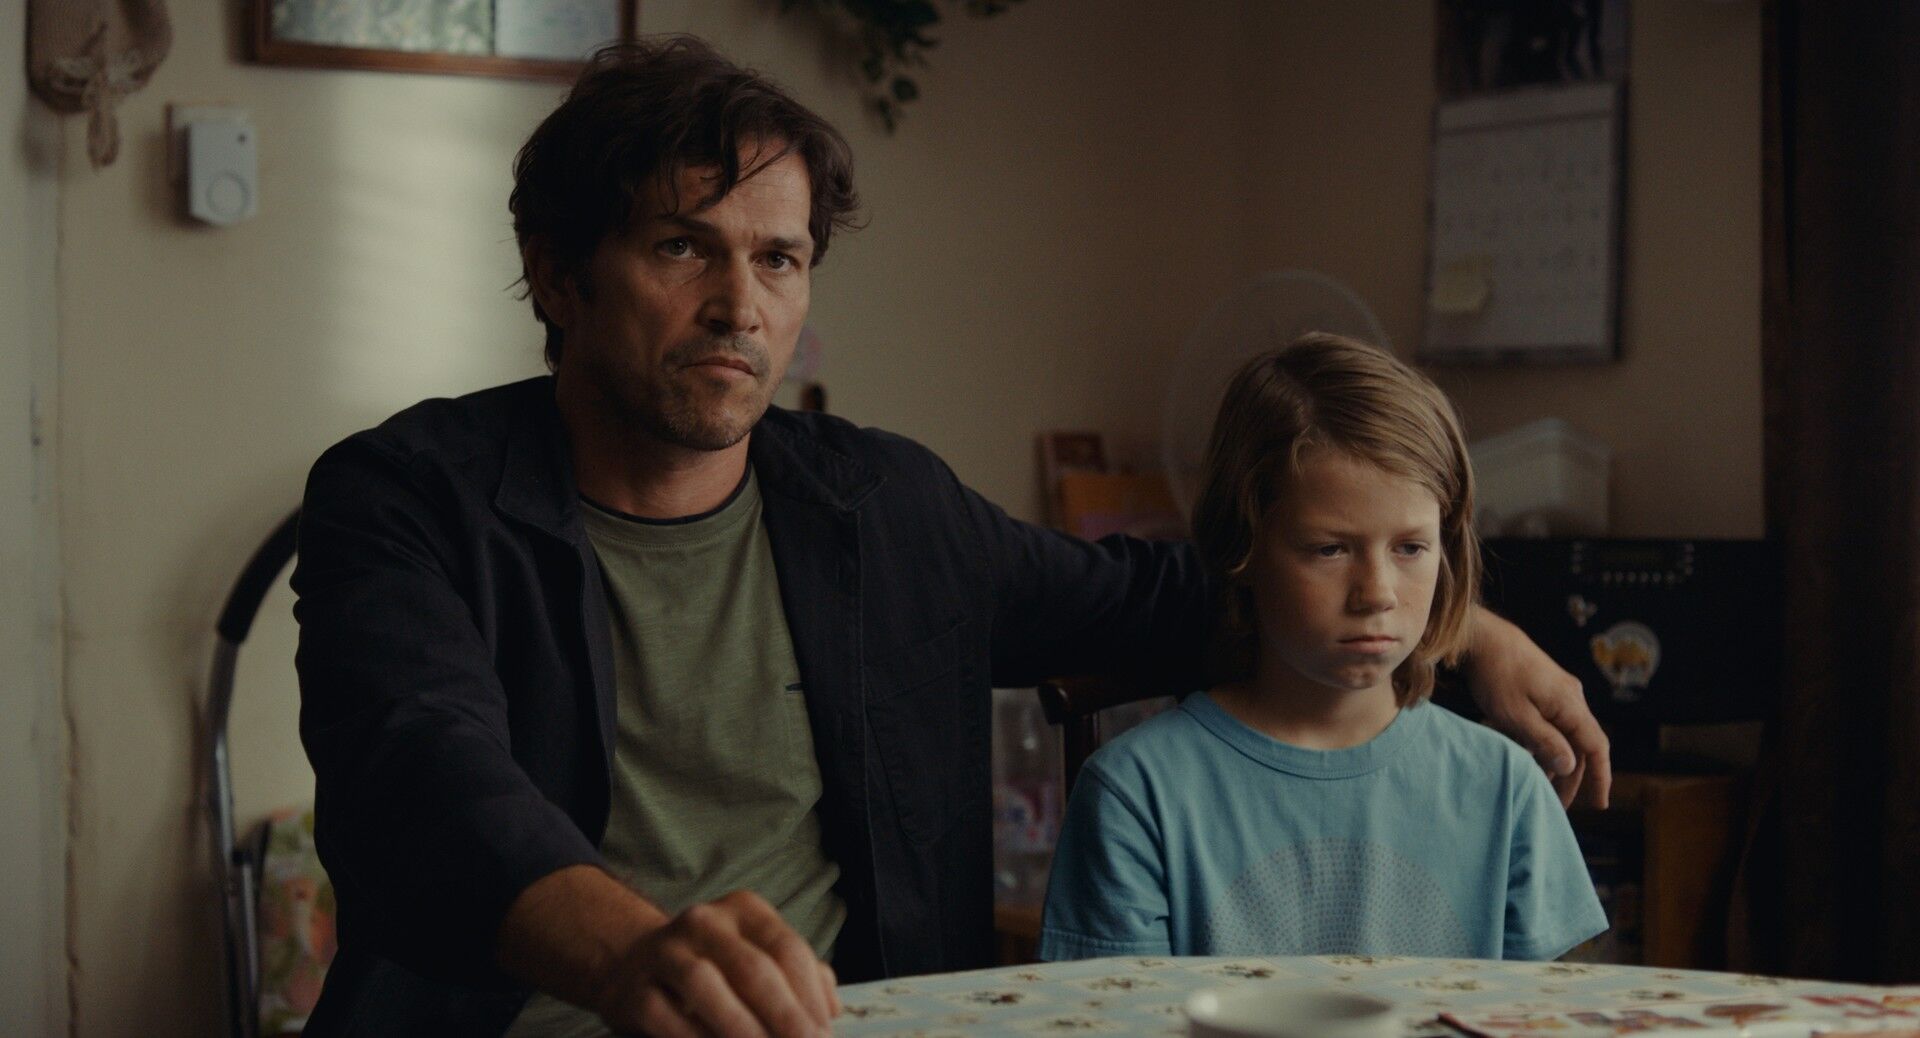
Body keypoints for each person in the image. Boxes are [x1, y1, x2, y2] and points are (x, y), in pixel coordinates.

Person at [291, 36, 1610, 1037]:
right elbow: (420, 777)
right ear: (556, 271)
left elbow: (1175, 593)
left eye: (778, 259)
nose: (740, 305)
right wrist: (636, 953)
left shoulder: (884, 510)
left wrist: (1471, 629)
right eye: (683, 249)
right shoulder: (405, 499)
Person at [1038, 333, 1609, 962]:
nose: (1377, 593)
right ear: (1242, 547)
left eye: (1410, 548)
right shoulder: (1136, 793)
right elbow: (1114, 1010)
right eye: (1329, 549)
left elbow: (1549, 1010)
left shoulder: (1506, 790)